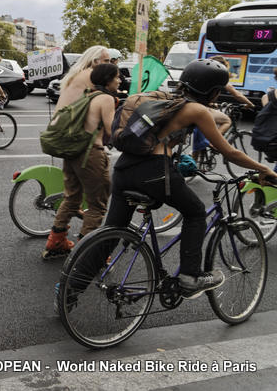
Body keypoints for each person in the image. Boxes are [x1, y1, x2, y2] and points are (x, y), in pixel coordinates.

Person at [105, 59, 277, 298]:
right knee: (195, 212)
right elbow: (230, 152)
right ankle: (190, 277)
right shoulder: (196, 110)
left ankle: (71, 286)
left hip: (124, 168)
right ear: (213, 91)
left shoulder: (165, 99)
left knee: (111, 232)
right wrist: (264, 169)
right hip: (155, 172)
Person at [43, 63, 120, 259]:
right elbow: (113, 131)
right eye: (117, 77)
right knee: (97, 205)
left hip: (73, 152)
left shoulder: (86, 96)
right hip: (91, 155)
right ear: (108, 79)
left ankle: (55, 242)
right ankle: (87, 254)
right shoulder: (106, 99)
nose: (119, 81)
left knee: (71, 198)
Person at [191, 55, 256, 157]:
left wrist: (212, 103)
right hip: (200, 108)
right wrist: (250, 104)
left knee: (199, 142)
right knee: (226, 121)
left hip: (193, 105)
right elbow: (237, 95)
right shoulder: (218, 78)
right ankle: (213, 140)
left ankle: (194, 163)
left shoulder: (203, 75)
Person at [55, 46, 110, 111]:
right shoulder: (90, 74)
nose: (109, 64)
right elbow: (106, 94)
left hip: (63, 118)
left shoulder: (79, 73)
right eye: (106, 61)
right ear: (95, 61)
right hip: (70, 119)